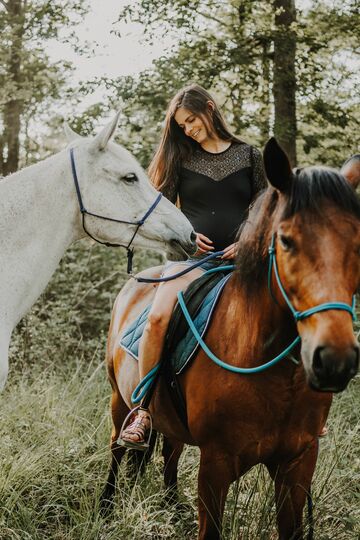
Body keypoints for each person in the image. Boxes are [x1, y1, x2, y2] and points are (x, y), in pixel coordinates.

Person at [120, 83, 267, 449]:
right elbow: (160, 213)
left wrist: (248, 241)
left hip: (243, 263)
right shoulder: (181, 159)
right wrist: (186, 236)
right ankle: (142, 411)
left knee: (292, 305)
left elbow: (267, 210)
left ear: (209, 108)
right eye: (182, 125)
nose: (187, 129)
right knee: (156, 318)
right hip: (191, 262)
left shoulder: (250, 155)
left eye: (190, 120)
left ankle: (306, 406)